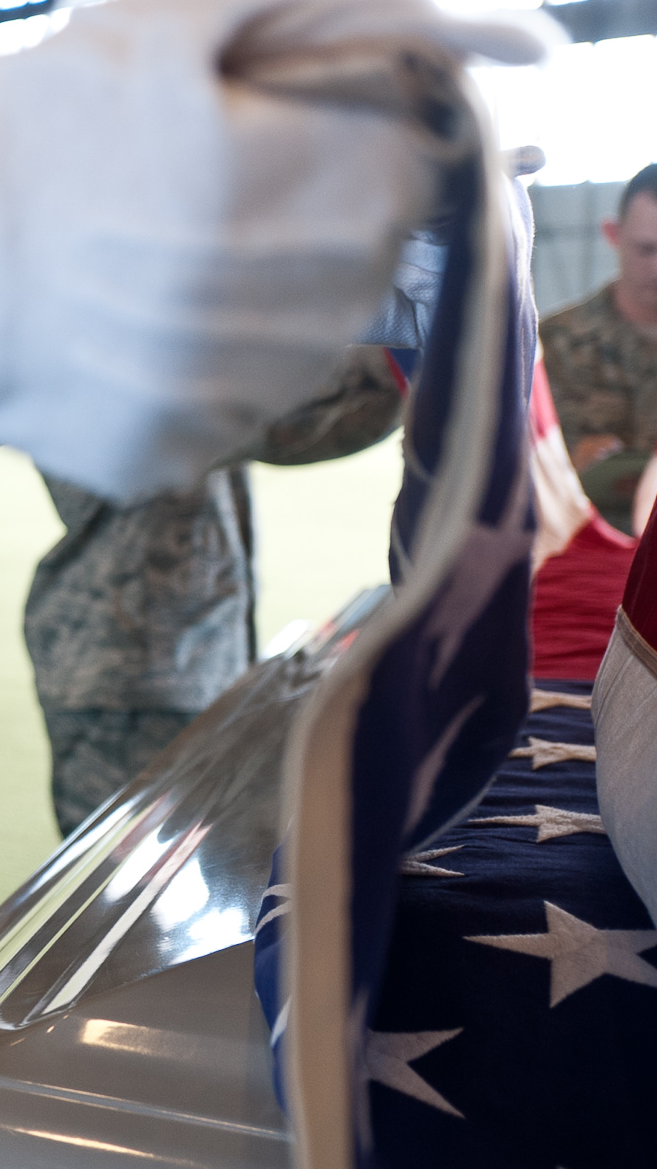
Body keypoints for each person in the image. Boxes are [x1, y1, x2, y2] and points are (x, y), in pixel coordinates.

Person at [24, 350, 407, 834]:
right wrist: (407, 355)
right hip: (133, 674)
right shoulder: (107, 351)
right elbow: (281, 416)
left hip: (164, 652)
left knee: (185, 862)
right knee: (133, 883)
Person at [538, 159, 657, 533]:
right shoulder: (548, 345)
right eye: (647, 249)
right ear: (613, 233)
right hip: (578, 550)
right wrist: (570, 460)